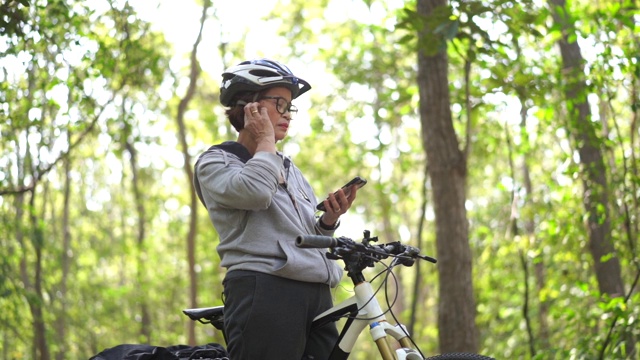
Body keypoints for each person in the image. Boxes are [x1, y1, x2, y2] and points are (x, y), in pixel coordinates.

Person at [193, 58, 359, 360]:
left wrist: (329, 220)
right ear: (249, 107)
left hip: (316, 291)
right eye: (279, 104)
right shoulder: (216, 162)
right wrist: (265, 139)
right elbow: (256, 193)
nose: (287, 115)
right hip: (266, 287)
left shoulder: (288, 167)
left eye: (290, 107)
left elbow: (305, 232)